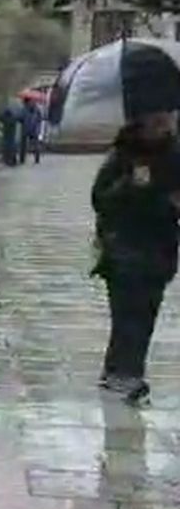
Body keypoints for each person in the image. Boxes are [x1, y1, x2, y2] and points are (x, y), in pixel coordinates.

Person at [92, 110, 180, 405]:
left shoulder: (175, 156)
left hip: (160, 248)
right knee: (128, 312)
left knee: (146, 314)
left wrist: (170, 201)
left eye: (168, 119)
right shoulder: (123, 155)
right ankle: (127, 376)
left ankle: (118, 371)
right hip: (122, 247)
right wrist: (130, 185)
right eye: (157, 120)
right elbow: (100, 199)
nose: (164, 125)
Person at [0, 99, 24, 166]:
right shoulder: (15, 114)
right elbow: (21, 119)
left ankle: (7, 159)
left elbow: (1, 118)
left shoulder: (5, 113)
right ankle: (12, 159)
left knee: (7, 144)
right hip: (13, 132)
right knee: (12, 145)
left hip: (7, 132)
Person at [22, 97, 45, 164]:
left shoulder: (24, 109)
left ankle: (23, 158)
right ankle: (37, 158)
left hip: (26, 128)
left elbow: (21, 117)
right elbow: (40, 118)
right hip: (35, 128)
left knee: (24, 144)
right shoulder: (37, 108)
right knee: (36, 144)